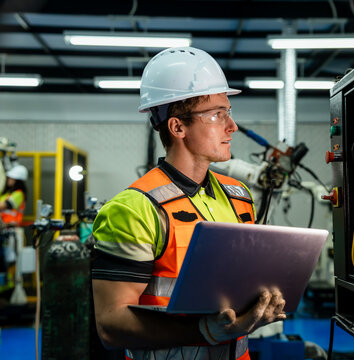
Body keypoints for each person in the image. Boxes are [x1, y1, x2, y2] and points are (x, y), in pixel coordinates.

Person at [91, 47, 286, 360]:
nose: (232, 126)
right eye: (217, 114)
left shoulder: (238, 196)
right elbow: (111, 325)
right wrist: (205, 331)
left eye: (229, 111)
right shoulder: (132, 209)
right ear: (177, 127)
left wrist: (261, 306)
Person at [0, 163, 28, 290]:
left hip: (12, 233)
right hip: (4, 231)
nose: (8, 180)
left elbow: (3, 206)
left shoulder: (18, 194)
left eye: (11, 178)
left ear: (17, 181)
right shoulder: (6, 194)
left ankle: (11, 290)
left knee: (11, 261)